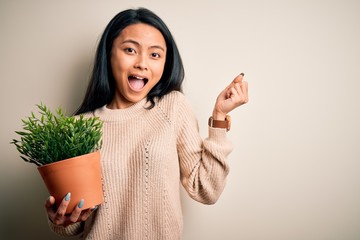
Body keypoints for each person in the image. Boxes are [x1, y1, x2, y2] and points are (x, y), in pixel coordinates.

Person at [45, 7, 248, 240]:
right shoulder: (77, 127)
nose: (142, 63)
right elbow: (74, 226)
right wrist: (60, 219)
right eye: (130, 50)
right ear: (109, 54)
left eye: (155, 55)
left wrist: (219, 117)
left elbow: (207, 191)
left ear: (164, 63)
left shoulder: (172, 107)